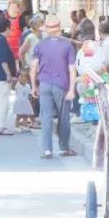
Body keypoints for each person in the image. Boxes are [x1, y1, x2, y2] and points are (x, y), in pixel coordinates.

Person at [30, 14, 78, 159]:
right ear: (60, 29)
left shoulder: (40, 45)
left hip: (44, 84)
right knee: (63, 117)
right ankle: (63, 148)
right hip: (61, 85)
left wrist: (34, 86)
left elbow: (33, 67)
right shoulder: (67, 46)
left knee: (46, 117)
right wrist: (71, 89)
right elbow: (72, 68)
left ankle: (47, 150)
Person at [0, 17, 17, 135]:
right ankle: (0, 126)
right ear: (7, 28)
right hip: (2, 76)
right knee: (3, 102)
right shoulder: (1, 42)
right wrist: (9, 75)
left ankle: (0, 126)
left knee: (3, 101)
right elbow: (3, 61)